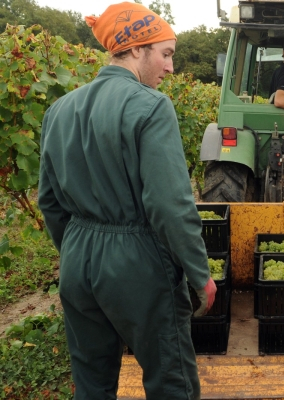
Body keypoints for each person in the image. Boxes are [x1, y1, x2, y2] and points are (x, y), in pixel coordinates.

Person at [38, 3, 216, 399]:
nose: (171, 67)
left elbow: (49, 202)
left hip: (77, 260)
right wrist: (198, 272)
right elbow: (169, 206)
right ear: (136, 48)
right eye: (166, 53)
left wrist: (77, 250)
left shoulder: (59, 110)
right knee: (171, 381)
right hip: (136, 262)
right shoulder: (151, 106)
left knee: (92, 382)